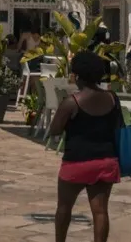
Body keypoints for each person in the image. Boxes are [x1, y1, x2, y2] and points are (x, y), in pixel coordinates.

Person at [48, 50, 122, 242]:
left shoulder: (71, 102)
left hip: (76, 163)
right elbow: (118, 126)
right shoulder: (113, 98)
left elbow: (54, 130)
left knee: (64, 207)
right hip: (106, 161)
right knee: (100, 212)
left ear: (78, 76)